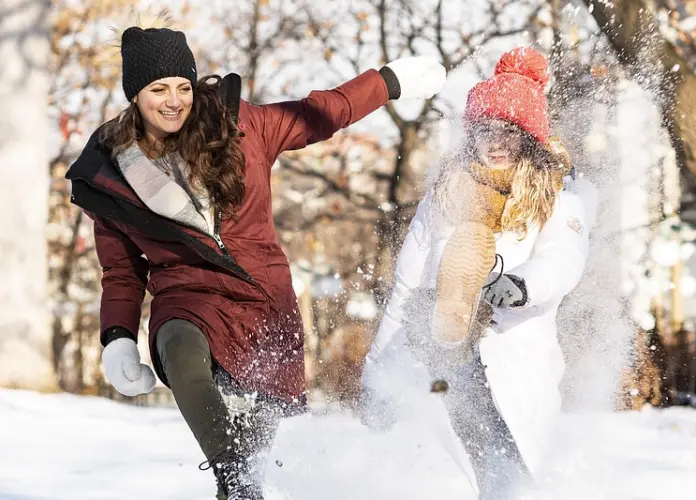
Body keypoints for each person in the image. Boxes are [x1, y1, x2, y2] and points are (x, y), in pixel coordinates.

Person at [65, 21, 446, 500]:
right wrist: (118, 335)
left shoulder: (244, 127)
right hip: (186, 297)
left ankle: (242, 483)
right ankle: (235, 478)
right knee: (181, 351)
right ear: (135, 96)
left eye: (183, 87)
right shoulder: (110, 176)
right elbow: (122, 270)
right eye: (158, 89)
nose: (174, 101)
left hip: (264, 303)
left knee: (253, 452)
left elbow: (321, 112)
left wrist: (387, 82)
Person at [360, 47, 598, 499]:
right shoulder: (443, 197)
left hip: (513, 359)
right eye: (486, 130)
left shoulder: (558, 200)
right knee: (447, 478)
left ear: (529, 137)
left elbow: (564, 260)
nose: (496, 142)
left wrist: (521, 284)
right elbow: (406, 288)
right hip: (442, 365)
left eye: (509, 131)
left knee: (510, 480)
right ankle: (452, 318)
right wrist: (378, 375)